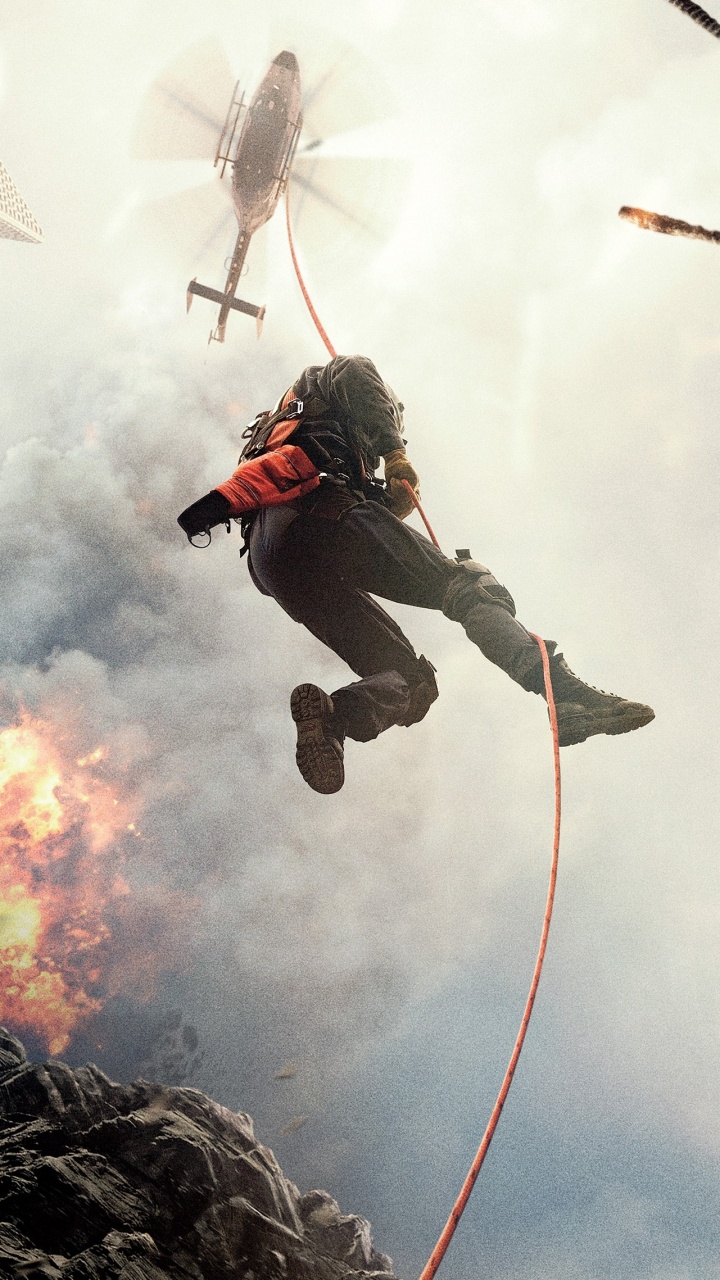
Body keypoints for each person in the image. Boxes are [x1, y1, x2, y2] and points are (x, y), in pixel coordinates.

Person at [178, 354, 654, 793]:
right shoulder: (331, 382)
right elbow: (357, 373)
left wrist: (388, 501)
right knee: (466, 585)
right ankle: (563, 695)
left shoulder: (293, 432)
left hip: (277, 561)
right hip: (317, 511)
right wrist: (395, 453)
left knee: (412, 681)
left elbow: (369, 530)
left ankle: (335, 718)